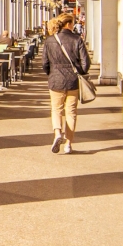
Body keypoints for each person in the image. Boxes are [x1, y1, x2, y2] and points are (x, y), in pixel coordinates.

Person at [41, 14, 90, 154]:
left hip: (55, 80)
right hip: (73, 81)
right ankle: (68, 144)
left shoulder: (49, 40)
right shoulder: (77, 39)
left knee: (56, 109)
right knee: (71, 112)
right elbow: (86, 64)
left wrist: (51, 73)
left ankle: (57, 133)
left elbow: (44, 63)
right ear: (68, 24)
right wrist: (78, 71)